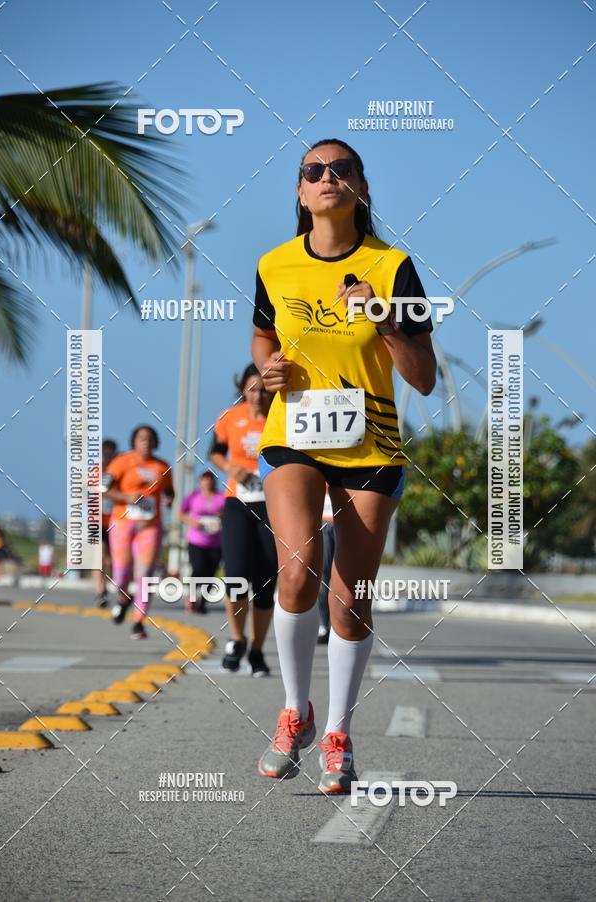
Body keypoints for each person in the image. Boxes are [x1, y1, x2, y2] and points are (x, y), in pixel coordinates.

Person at [252, 138, 436, 792]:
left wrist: (384, 320)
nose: (327, 177)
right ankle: (293, 711)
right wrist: (263, 373)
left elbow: (424, 378)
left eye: (341, 168)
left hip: (371, 445)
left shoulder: (394, 266)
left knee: (348, 601)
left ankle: (336, 731)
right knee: (297, 569)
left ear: (359, 186)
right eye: (313, 171)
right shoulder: (275, 265)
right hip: (292, 437)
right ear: (301, 193)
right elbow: (264, 336)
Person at [210, 364, 277, 676]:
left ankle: (258, 650)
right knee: (236, 574)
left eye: (264, 389)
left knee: (265, 582)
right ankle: (237, 638)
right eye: (252, 389)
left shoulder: (282, 416)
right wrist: (230, 468)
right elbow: (215, 452)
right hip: (237, 502)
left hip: (273, 505)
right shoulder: (230, 418)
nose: (258, 395)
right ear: (243, 389)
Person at [103, 425, 174, 639]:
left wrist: (169, 499)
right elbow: (104, 489)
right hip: (122, 523)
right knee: (121, 573)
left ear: (156, 442)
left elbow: (170, 491)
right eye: (142, 438)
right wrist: (126, 498)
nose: (146, 441)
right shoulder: (121, 462)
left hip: (150, 526)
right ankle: (124, 599)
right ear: (133, 441)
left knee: (145, 574)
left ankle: (138, 621)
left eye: (150, 438)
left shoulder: (163, 466)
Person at [180, 469, 225, 614]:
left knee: (211, 573)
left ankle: (202, 603)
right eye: (204, 480)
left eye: (210, 480)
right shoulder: (193, 497)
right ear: (200, 482)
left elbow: (229, 515)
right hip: (196, 541)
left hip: (216, 542)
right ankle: (192, 597)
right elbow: (181, 514)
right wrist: (192, 522)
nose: (207, 483)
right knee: (198, 569)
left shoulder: (221, 497)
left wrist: (222, 516)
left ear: (214, 482)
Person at [94, 439, 118, 607]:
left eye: (111, 452)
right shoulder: (95, 471)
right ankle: (100, 590)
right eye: (105, 452)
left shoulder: (118, 471)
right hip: (96, 520)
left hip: (115, 521)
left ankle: (107, 587)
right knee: (99, 557)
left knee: (110, 560)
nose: (108, 454)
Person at [316, 491, 334, 645]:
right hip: (323, 523)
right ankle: (324, 625)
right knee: (324, 577)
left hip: (345, 521)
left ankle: (339, 626)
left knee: (344, 577)